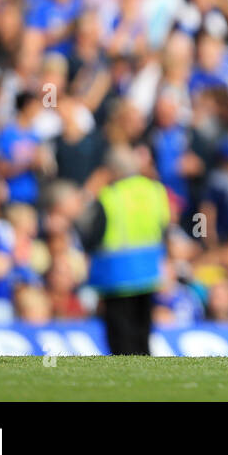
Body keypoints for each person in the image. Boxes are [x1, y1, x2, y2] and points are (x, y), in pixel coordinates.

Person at [78, 146, 170, 355]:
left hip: (117, 275)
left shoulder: (110, 195)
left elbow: (91, 233)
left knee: (120, 335)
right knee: (143, 329)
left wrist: (88, 193)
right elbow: (164, 227)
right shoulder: (155, 190)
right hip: (148, 272)